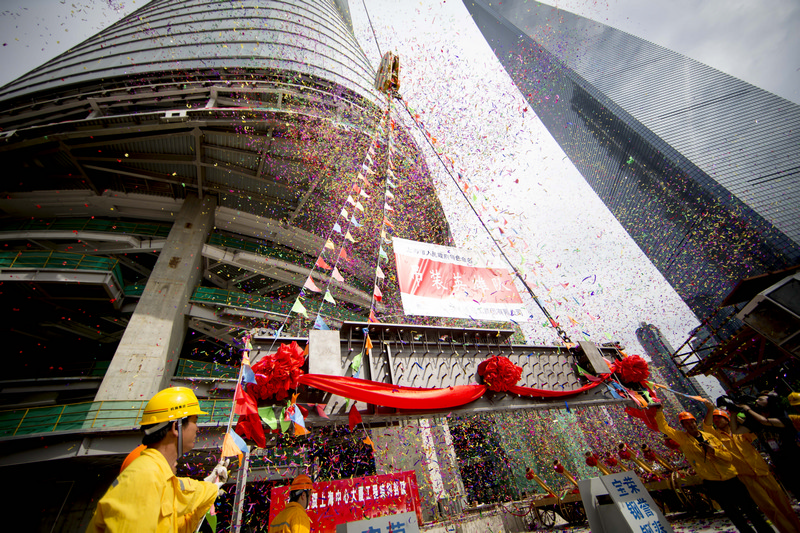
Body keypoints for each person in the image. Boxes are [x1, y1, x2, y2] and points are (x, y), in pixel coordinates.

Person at [87, 386, 229, 532]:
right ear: (176, 426)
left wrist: (211, 485)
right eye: (195, 421)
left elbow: (178, 518)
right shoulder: (144, 478)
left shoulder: (160, 477)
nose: (198, 428)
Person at [654, 405, 772, 533]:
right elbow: (664, 427)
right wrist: (659, 411)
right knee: (733, 513)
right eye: (686, 424)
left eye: (692, 422)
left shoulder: (710, 436)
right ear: (683, 426)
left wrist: (714, 451)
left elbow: (728, 456)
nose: (690, 425)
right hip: (713, 482)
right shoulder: (682, 439)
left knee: (749, 509)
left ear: (695, 422)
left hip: (731, 478)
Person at [701, 399, 800, 533]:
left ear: (727, 419)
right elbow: (706, 427)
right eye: (715, 419)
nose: (717, 421)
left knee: (783, 504)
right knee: (769, 508)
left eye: (719, 418)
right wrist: (710, 409)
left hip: (762, 471)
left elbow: (755, 428)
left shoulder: (741, 431)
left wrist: (739, 413)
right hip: (746, 476)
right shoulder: (716, 436)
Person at [736, 390, 800, 500]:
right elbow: (739, 428)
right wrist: (735, 412)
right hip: (782, 464)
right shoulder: (762, 424)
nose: (757, 401)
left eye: (761, 399)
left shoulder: (785, 419)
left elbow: (763, 421)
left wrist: (747, 409)